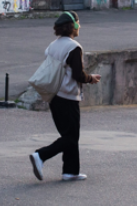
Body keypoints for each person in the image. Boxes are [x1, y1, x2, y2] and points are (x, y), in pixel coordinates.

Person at [29, 11, 101, 181]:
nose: (80, 26)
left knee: (69, 135)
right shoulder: (74, 47)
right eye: (78, 23)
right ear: (73, 26)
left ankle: (70, 171)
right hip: (68, 97)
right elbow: (78, 75)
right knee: (71, 137)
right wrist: (91, 78)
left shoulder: (53, 45)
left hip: (54, 96)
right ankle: (40, 155)